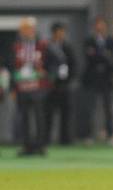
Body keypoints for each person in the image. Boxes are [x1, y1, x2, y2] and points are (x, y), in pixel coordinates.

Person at [9, 17, 49, 156]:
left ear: (33, 29)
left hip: (38, 87)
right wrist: (13, 88)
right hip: (22, 88)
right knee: (24, 117)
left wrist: (47, 74)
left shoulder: (42, 45)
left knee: (39, 117)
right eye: (23, 29)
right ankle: (27, 146)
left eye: (27, 28)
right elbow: (12, 67)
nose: (25, 31)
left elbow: (53, 63)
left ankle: (40, 145)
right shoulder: (16, 47)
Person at [82, 17, 113, 144]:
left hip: (107, 79)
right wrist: (103, 56)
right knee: (91, 109)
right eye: (98, 25)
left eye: (102, 25)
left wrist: (101, 56)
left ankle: (110, 134)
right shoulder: (89, 41)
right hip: (92, 79)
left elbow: (112, 58)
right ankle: (89, 135)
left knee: (108, 109)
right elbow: (89, 57)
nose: (100, 28)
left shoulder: (111, 41)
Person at [44, 22, 77, 145]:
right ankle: (46, 139)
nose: (62, 34)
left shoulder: (67, 47)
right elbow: (44, 64)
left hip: (65, 84)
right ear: (54, 32)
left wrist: (70, 80)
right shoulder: (47, 47)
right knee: (48, 114)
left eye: (63, 32)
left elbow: (73, 65)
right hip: (51, 85)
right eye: (60, 31)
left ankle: (65, 139)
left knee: (66, 114)